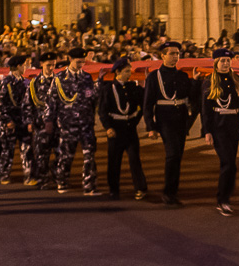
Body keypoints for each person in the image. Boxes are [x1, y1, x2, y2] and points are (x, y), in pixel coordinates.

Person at [45, 48, 102, 196]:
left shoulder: (87, 77)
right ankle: (62, 182)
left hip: (85, 122)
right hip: (67, 122)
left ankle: (89, 186)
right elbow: (52, 100)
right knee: (66, 155)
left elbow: (90, 96)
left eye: (83, 62)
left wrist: (98, 85)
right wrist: (49, 120)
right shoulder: (59, 78)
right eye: (78, 62)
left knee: (89, 154)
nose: (80, 64)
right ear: (70, 59)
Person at [143, 41, 194, 207]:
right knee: (172, 154)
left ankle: (173, 189)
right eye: (171, 53)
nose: (175, 57)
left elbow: (189, 96)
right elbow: (148, 103)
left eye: (177, 54)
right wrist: (151, 127)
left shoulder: (182, 76)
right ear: (162, 56)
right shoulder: (154, 76)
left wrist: (196, 82)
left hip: (180, 119)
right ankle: (168, 193)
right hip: (165, 119)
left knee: (177, 156)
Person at [98, 57, 149, 200]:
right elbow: (102, 111)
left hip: (130, 129)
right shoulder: (108, 89)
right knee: (114, 160)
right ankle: (114, 189)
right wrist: (108, 127)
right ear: (118, 72)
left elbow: (144, 102)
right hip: (115, 129)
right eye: (127, 71)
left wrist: (135, 120)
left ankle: (140, 188)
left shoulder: (133, 87)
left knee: (134, 159)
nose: (129, 74)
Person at [202, 48, 239, 216]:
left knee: (232, 163)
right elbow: (205, 108)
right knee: (227, 162)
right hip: (218, 127)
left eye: (227, 61)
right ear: (216, 63)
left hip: (233, 126)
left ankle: (227, 194)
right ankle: (222, 200)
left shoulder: (236, 79)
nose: (225, 63)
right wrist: (207, 131)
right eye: (222, 61)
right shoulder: (209, 81)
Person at [0, 55, 32, 185]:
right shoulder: (5, 82)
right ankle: (4, 175)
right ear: (18, 66)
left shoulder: (25, 82)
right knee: (7, 150)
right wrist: (7, 120)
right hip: (9, 122)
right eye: (24, 65)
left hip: (22, 121)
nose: (26, 67)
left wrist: (29, 121)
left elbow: (28, 104)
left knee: (26, 149)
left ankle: (28, 176)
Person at [24, 52, 58, 189]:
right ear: (42, 65)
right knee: (41, 154)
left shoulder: (59, 80)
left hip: (58, 123)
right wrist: (29, 122)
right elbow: (28, 104)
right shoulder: (35, 83)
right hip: (40, 123)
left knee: (61, 153)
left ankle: (58, 178)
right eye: (48, 65)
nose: (51, 68)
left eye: (53, 65)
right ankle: (43, 179)